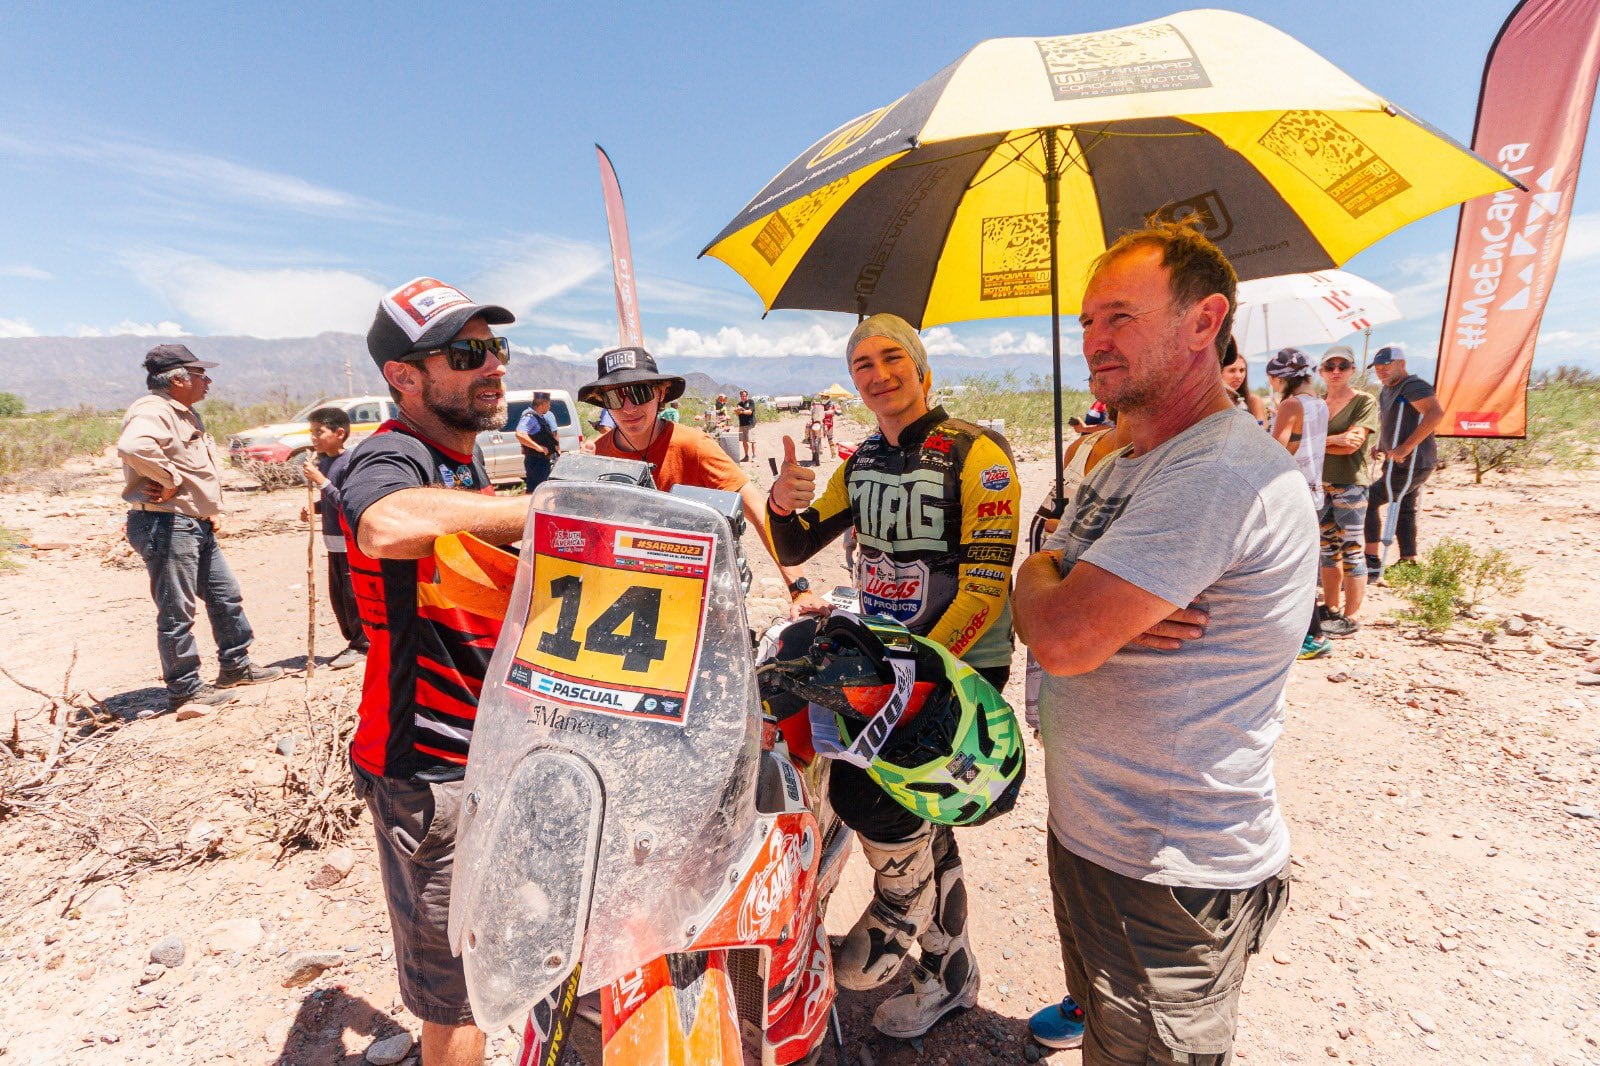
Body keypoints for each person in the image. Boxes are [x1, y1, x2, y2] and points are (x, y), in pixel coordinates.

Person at [1012, 221, 1315, 1060]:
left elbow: (1064, 636)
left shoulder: (1215, 470)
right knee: (1108, 1024)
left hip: (1170, 868)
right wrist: (1052, 575)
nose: (1094, 343)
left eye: (1118, 317)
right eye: (1084, 322)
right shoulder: (1119, 465)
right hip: (1097, 835)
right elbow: (1051, 583)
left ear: (1203, 321)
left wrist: (1051, 588)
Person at [768, 313, 1019, 1039]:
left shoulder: (979, 452)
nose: (876, 375)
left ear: (921, 364)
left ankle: (908, 916)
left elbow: (984, 586)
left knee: (868, 793)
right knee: (921, 817)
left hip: (956, 671)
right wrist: (785, 501)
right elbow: (797, 539)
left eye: (889, 358)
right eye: (861, 365)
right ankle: (950, 969)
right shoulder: (865, 459)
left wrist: (916, 675)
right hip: (884, 669)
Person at [343, 276, 543, 1066]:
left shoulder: (465, 467)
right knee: (457, 987)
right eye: (466, 353)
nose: (492, 366)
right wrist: (547, 510)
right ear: (404, 377)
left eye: (495, 349)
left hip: (487, 748)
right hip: (428, 770)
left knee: (496, 946)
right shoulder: (393, 455)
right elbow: (384, 522)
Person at [584, 346, 827, 619]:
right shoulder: (597, 455)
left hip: (698, 589)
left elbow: (757, 509)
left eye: (639, 393)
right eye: (616, 397)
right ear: (603, 402)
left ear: (660, 393)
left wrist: (798, 588)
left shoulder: (694, 446)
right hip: (630, 590)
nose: (628, 408)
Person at [117, 344, 284, 714]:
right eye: (200, 374)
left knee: (226, 595)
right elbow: (132, 446)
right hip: (166, 523)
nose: (207, 381)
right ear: (178, 379)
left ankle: (235, 666)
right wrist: (171, 479)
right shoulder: (154, 410)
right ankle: (185, 689)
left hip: (190, 521)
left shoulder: (183, 413)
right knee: (177, 610)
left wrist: (205, 508)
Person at [1267, 347, 1331, 660]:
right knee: (1305, 564)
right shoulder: (1319, 403)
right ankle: (1311, 633)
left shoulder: (1291, 405)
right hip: (1313, 489)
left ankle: (1313, 636)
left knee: (1292, 567)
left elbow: (1275, 449)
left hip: (1291, 491)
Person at [1364, 343, 1444, 581]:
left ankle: (1371, 559)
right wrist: (1382, 445)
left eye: (1387, 366)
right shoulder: (1388, 390)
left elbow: (1435, 413)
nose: (1382, 371)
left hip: (1414, 461)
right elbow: (1392, 421)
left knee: (1369, 499)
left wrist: (1406, 447)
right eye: (1378, 367)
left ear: (1402, 364)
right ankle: (1409, 561)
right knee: (1405, 506)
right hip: (1399, 460)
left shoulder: (1413, 386)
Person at [1316, 346, 1379, 637]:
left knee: (1352, 550)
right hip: (1319, 484)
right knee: (1327, 550)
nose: (1336, 371)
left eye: (1343, 366)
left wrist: (1317, 442)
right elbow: (1297, 443)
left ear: (1353, 370)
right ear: (1322, 371)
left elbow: (1353, 443)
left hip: (1350, 483)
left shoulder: (1364, 401)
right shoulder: (1317, 405)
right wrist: (1333, 440)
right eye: (1330, 366)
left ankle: (1351, 617)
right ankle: (1331, 608)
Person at [299, 407, 367, 670]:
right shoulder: (323, 462)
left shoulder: (350, 463)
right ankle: (353, 641)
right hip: (333, 543)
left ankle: (363, 644)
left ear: (340, 434)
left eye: (320, 431)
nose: (314, 437)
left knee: (353, 595)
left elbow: (347, 502)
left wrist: (321, 481)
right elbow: (329, 500)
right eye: (312, 432)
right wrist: (313, 507)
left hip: (349, 542)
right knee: (338, 597)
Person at [514, 391, 560, 493]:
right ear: (543, 404)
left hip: (542, 461)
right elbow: (520, 434)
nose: (549, 407)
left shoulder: (539, 417)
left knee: (542, 491)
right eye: (548, 404)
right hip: (536, 462)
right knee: (535, 491)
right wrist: (537, 447)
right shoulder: (529, 417)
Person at [1222, 336, 1268, 424]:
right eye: (1232, 370)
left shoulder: (1253, 401)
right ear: (1219, 372)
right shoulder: (1211, 403)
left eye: (1242, 370)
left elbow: (1262, 431)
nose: (1238, 376)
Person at [735, 388, 757, 461]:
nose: (743, 397)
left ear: (747, 395)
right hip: (742, 424)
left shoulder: (751, 402)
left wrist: (742, 410)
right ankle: (746, 456)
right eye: (742, 396)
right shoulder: (739, 404)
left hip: (750, 424)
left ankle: (754, 456)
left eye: (744, 396)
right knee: (744, 441)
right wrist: (738, 411)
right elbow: (736, 413)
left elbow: (750, 412)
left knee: (752, 440)